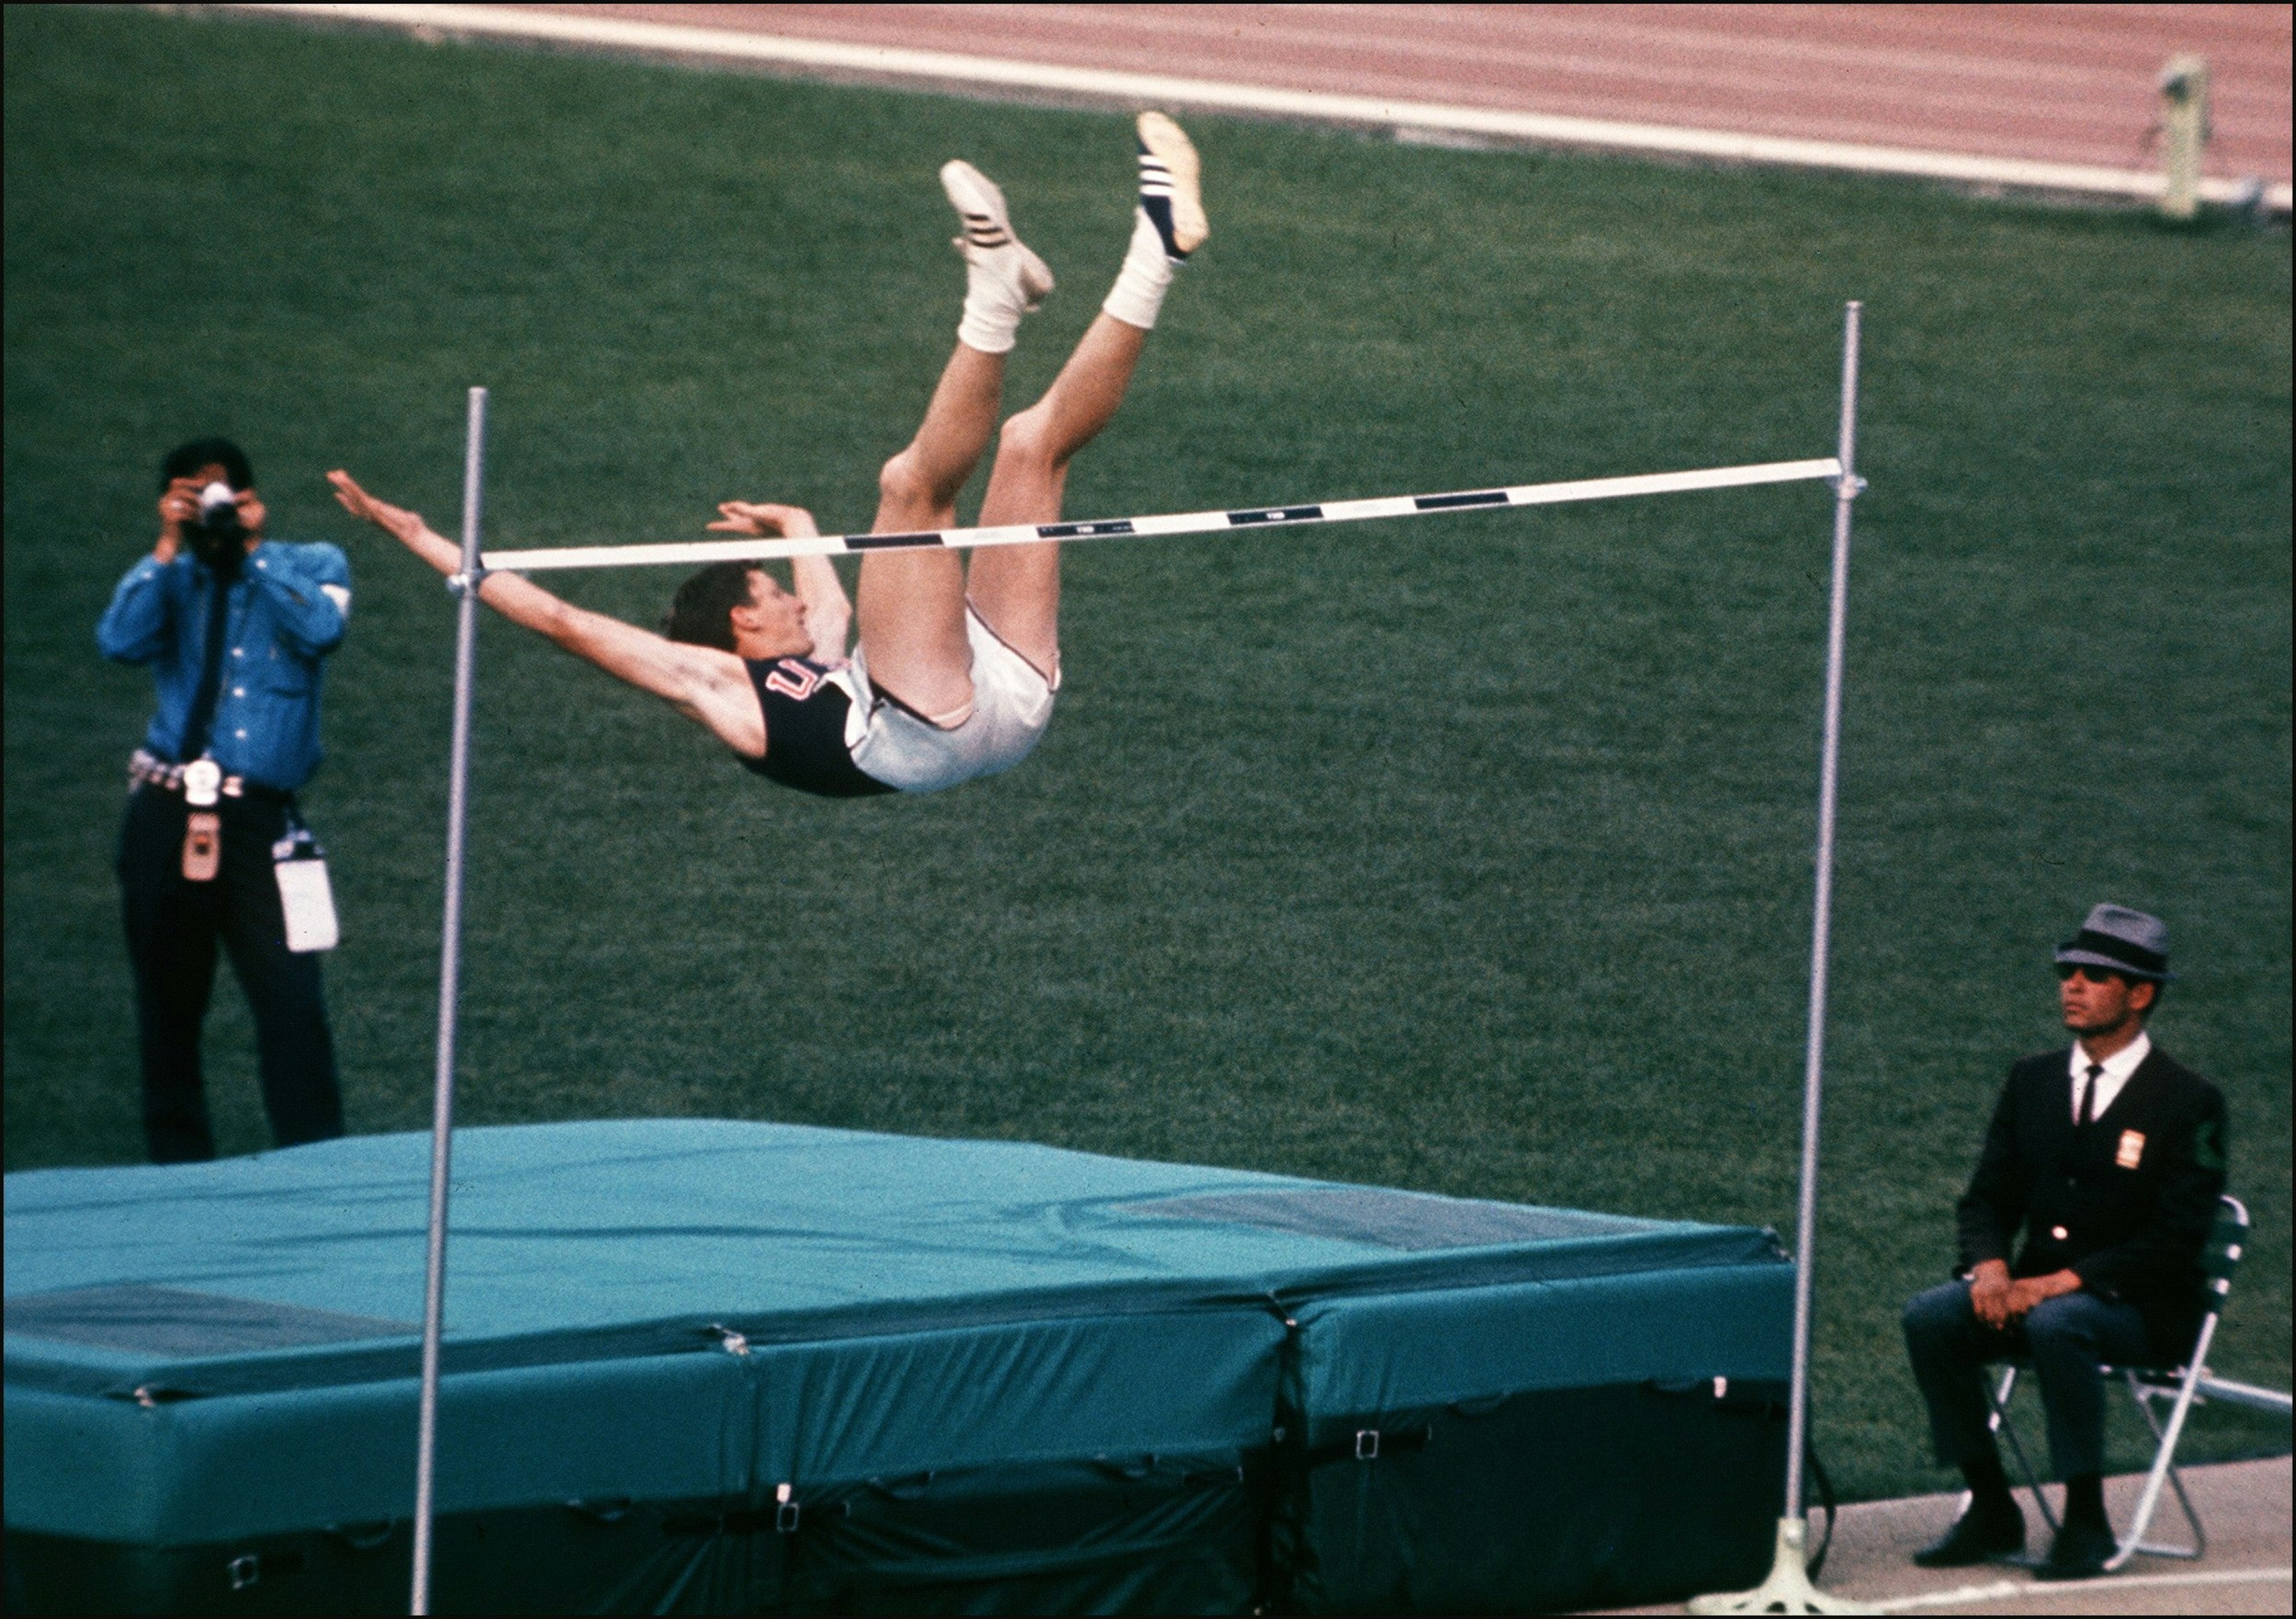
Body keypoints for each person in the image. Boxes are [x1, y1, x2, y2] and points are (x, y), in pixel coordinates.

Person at [329, 112, 1210, 798]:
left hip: (992, 707)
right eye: (772, 595)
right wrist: (428, 541)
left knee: (1033, 443)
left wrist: (795, 524)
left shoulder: (817, 655)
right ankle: (992, 295)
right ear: (742, 628)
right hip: (928, 721)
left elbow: (827, 587)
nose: (794, 599)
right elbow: (563, 619)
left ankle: (1155, 248)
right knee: (909, 487)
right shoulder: (716, 685)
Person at [1901, 904, 2228, 1579]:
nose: (2072, 985)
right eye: (2068, 971)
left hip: (2140, 1310)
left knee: (2059, 1322)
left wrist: (2053, 1284)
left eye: (2095, 975)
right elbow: (1987, 1196)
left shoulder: (2189, 1100)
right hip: (2030, 1296)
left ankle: (2086, 1521)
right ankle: (1991, 1504)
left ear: (2140, 995)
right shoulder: (2033, 1079)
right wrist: (1990, 1269)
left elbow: (2177, 1236)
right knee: (1931, 1316)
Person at [97, 438, 353, 1163]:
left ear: (250, 497)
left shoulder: (311, 564)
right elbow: (118, 641)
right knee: (168, 1009)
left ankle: (317, 1168)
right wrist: (170, 543)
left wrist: (253, 547)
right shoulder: (173, 576)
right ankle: (179, 1175)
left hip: (262, 821)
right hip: (166, 812)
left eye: (224, 495)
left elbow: (322, 630)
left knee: (293, 1005)